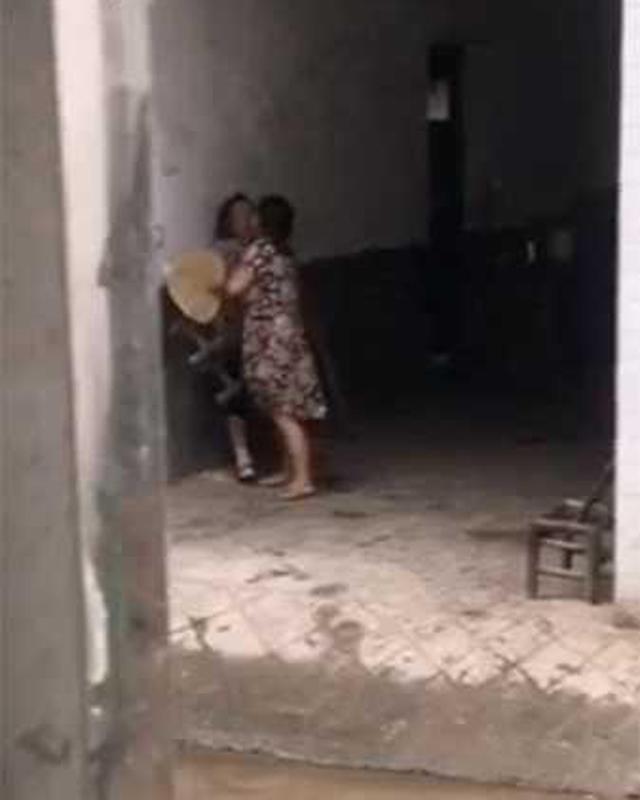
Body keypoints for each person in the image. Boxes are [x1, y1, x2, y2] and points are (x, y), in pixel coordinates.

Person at [226, 196, 327, 500]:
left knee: (283, 411)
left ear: (261, 221)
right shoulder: (286, 253)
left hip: (269, 339)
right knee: (286, 406)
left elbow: (235, 287)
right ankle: (289, 471)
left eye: (254, 215)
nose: (250, 220)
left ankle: (303, 478)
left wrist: (226, 277)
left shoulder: (260, 250)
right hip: (290, 335)